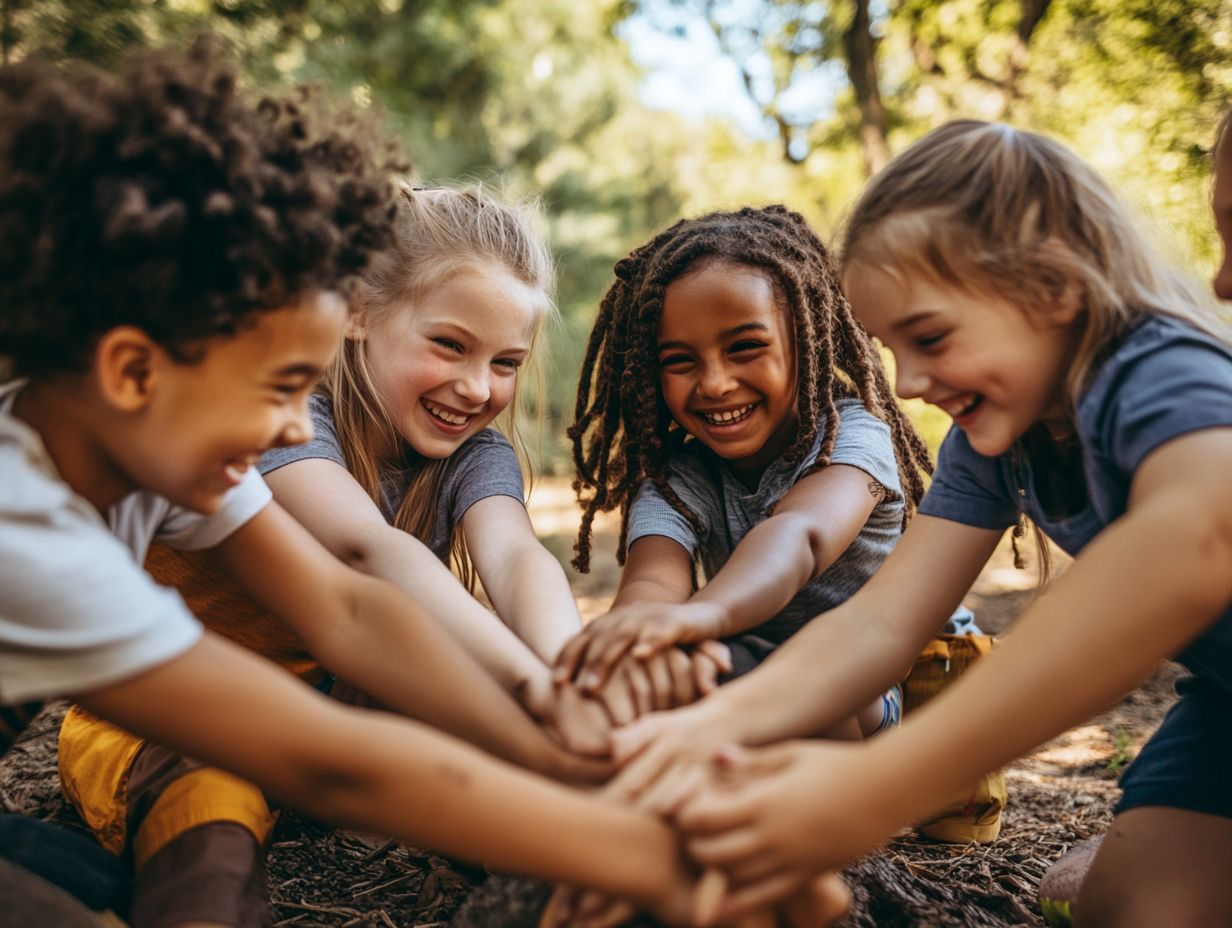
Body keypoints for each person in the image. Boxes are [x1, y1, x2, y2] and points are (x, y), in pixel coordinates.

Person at [0, 37, 706, 928]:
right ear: (135, 371)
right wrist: (643, 854)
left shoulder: (151, 461)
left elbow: (347, 608)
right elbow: (330, 752)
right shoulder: (20, 520)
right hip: (187, 734)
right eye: (278, 389)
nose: (293, 428)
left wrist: (556, 713)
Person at [619, 120, 1232, 926]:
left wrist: (875, 790)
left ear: (1053, 287)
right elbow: (879, 623)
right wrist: (705, 728)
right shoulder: (997, 440)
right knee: (1130, 908)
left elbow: (1194, 542)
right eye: (889, 347)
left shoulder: (1159, 374)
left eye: (931, 338)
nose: (907, 384)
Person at [557, 204, 935, 740]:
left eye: (745, 348)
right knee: (686, 670)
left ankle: (838, 802)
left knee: (807, 667)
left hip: (872, 687)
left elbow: (797, 537)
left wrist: (703, 615)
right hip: (751, 667)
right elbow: (652, 578)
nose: (714, 384)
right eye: (680, 361)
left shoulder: (854, 437)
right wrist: (630, 642)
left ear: (806, 344)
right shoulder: (678, 478)